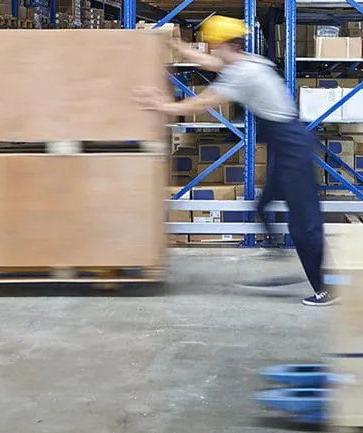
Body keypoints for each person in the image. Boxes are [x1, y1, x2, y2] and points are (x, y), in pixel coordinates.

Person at [136, 16, 333, 307]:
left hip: (293, 149)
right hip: (286, 145)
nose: (212, 50)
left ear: (228, 46)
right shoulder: (247, 62)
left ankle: (325, 288)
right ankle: (276, 250)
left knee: (304, 224)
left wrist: (159, 106)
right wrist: (176, 45)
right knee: (263, 204)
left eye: (214, 45)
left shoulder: (243, 74)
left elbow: (201, 103)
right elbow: (209, 63)